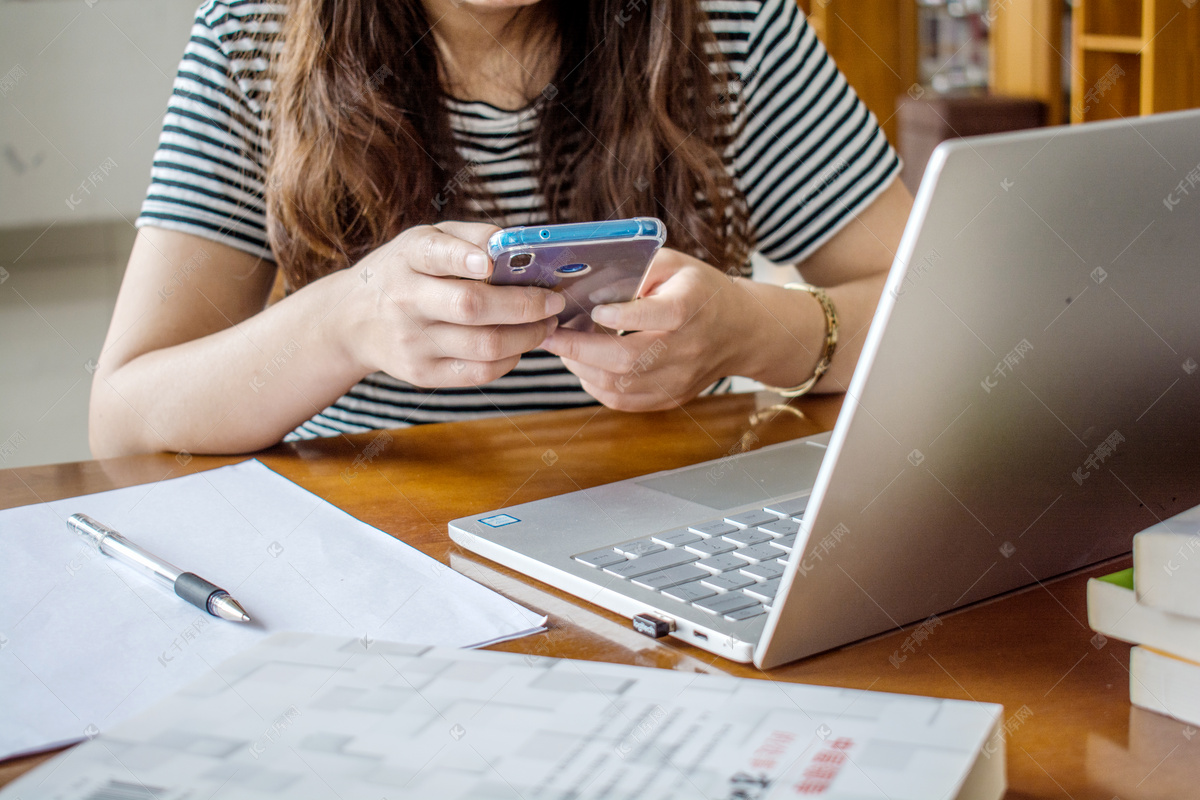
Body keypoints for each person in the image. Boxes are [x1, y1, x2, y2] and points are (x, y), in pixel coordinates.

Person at [88, 0, 912, 457]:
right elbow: (126, 417)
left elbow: (939, 316)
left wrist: (751, 331)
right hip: (366, 530)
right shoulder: (254, 38)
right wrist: (343, 323)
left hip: (662, 513)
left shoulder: (734, 26)